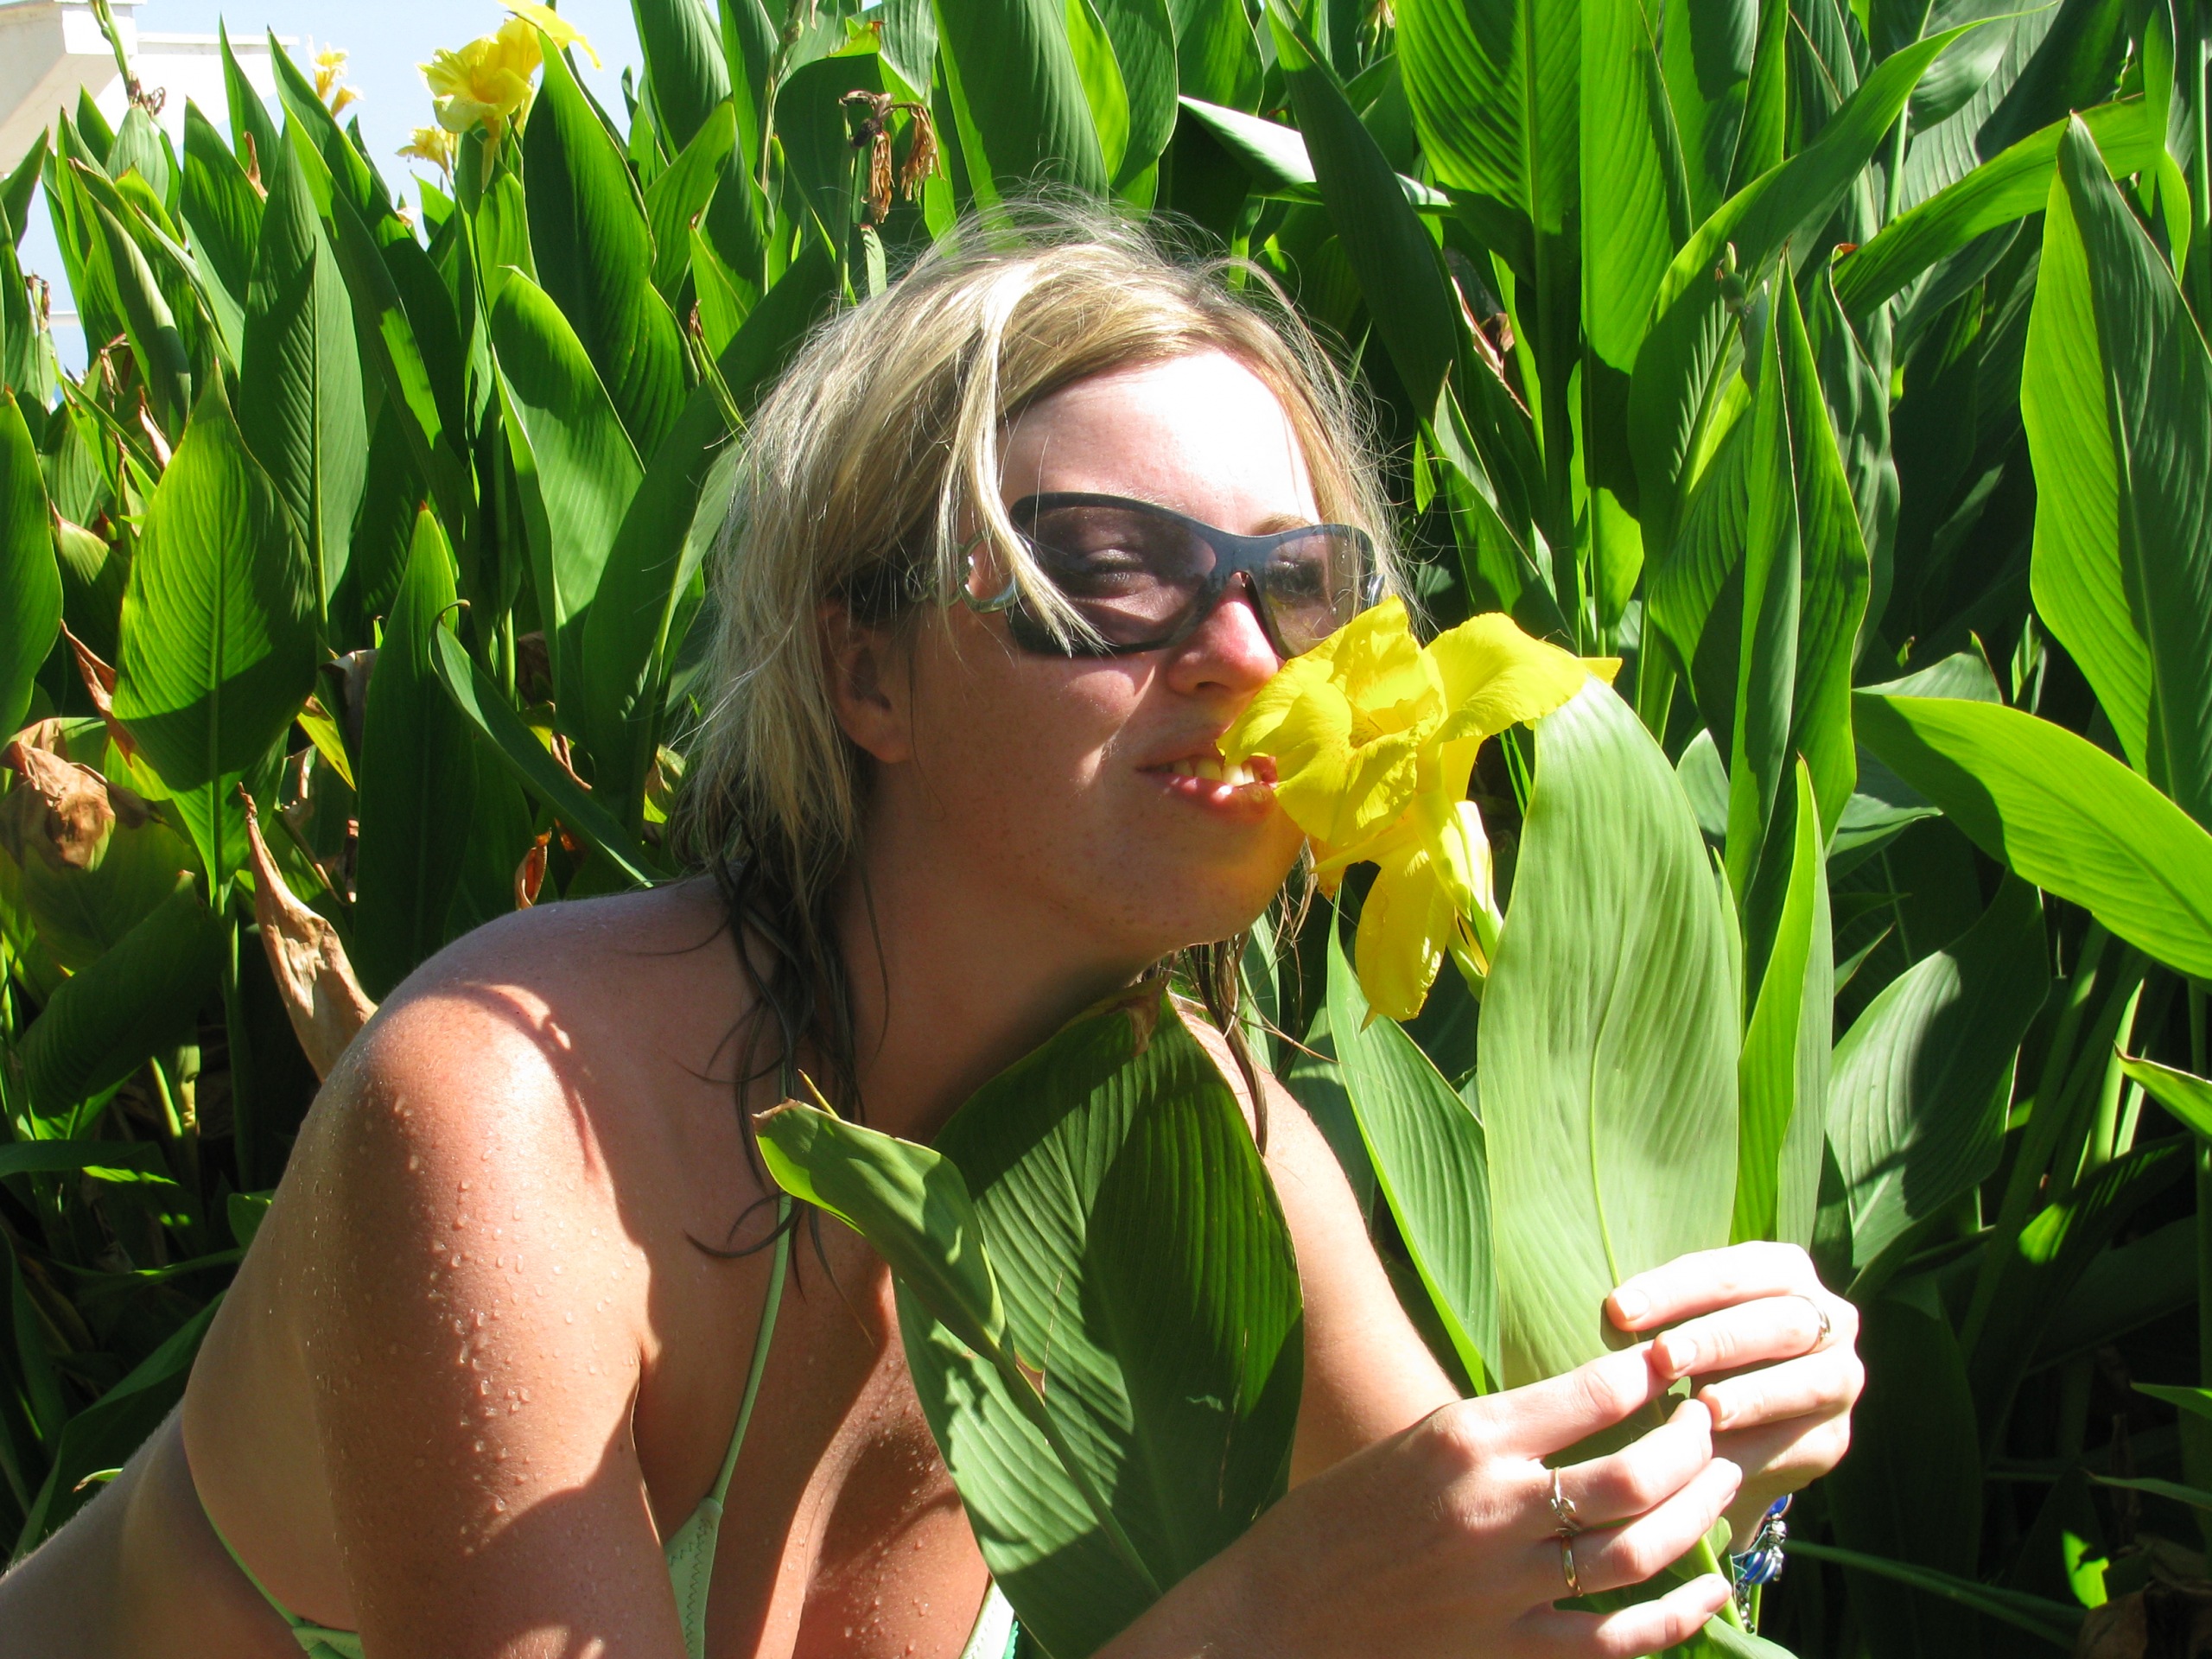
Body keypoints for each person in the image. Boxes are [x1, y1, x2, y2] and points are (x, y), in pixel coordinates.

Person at [0, 212, 1861, 1659]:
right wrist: (1273, 1622)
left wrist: (1721, 1461)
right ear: (864, 670)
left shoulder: (1205, 1136)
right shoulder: (504, 1125)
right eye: (1110, 570)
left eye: (1299, 588)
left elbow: (1515, 1589)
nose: (1241, 659)